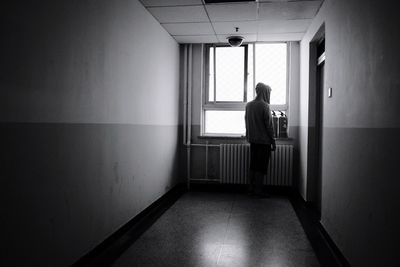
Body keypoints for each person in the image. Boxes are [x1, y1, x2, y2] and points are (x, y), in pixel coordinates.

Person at [245, 83, 276, 197]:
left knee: (253, 165)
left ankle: (250, 189)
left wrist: (249, 136)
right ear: (265, 92)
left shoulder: (249, 105)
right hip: (264, 142)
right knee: (261, 167)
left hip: (253, 141)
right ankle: (258, 191)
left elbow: (246, 123)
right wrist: (273, 141)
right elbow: (269, 126)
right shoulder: (265, 106)